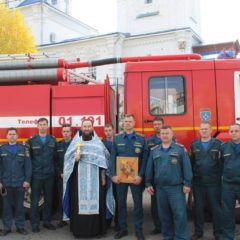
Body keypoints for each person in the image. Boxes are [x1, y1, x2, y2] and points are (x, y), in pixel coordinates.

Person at [62, 119, 113, 239]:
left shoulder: (98, 144)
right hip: (79, 181)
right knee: (79, 204)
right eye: (84, 126)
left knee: (97, 204)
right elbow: (67, 160)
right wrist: (75, 159)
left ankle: (97, 230)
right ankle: (79, 231)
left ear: (92, 127)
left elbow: (104, 162)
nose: (86, 128)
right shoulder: (76, 143)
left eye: (88, 126)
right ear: (81, 127)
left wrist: (103, 178)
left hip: (96, 180)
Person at [145, 125, 192, 240]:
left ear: (172, 135)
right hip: (160, 189)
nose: (165, 135)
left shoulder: (179, 149)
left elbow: (187, 167)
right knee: (164, 215)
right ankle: (168, 236)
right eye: (163, 133)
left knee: (179, 215)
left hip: (176, 188)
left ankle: (181, 237)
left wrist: (187, 183)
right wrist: (148, 183)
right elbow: (149, 169)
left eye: (167, 133)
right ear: (160, 135)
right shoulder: (154, 151)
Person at [110, 114, 148, 240]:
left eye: (130, 121)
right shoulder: (117, 139)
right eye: (125, 121)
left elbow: (144, 160)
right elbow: (112, 159)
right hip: (120, 179)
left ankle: (138, 230)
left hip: (136, 179)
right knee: (121, 204)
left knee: (138, 204)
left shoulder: (141, 139)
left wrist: (141, 176)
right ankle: (123, 229)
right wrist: (113, 175)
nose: (127, 123)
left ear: (134, 122)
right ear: (123, 123)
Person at [190, 122, 222, 240]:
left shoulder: (218, 144)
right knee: (198, 209)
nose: (203, 131)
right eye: (202, 129)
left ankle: (218, 233)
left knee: (216, 208)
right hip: (198, 182)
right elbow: (191, 163)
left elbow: (222, 162)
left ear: (211, 130)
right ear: (199, 131)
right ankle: (198, 232)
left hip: (214, 182)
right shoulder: (194, 145)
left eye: (206, 129)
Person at [27, 117, 57, 232]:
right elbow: (28, 159)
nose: (43, 126)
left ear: (47, 126)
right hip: (36, 175)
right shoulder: (31, 140)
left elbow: (55, 158)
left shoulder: (52, 140)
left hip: (49, 175)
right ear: (37, 126)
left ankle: (46, 221)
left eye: (45, 124)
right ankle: (34, 224)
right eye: (41, 124)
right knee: (34, 201)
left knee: (49, 199)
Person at [0, 128, 32, 236]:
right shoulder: (2, 149)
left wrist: (27, 180)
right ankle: (7, 227)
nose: (12, 136)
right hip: (6, 183)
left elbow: (28, 166)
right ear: (7, 136)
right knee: (6, 206)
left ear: (17, 136)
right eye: (10, 134)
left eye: (14, 134)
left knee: (19, 206)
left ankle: (20, 226)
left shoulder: (23, 149)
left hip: (20, 182)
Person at [221, 124, 240, 240]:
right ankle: (228, 236)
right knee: (227, 213)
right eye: (232, 131)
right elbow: (220, 164)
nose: (234, 133)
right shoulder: (224, 147)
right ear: (229, 133)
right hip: (228, 185)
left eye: (236, 131)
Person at [146, 117, 164, 235]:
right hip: (154, 177)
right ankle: (158, 226)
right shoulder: (149, 141)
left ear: (163, 125)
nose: (157, 126)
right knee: (155, 205)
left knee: (166, 204)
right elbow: (147, 160)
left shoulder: (171, 138)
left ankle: (167, 226)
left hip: (167, 177)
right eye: (155, 124)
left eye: (159, 124)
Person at [102, 123, 119, 231]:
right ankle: (107, 222)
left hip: (117, 175)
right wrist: (102, 177)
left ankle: (118, 222)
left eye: (109, 130)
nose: (108, 132)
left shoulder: (118, 141)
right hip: (107, 176)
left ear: (113, 130)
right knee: (106, 199)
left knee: (118, 200)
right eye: (106, 131)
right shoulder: (101, 143)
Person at [56, 124, 72, 228]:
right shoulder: (58, 145)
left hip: (72, 176)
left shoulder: (75, 145)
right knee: (61, 197)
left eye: (68, 131)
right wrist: (60, 173)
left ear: (71, 133)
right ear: (62, 133)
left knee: (73, 197)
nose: (66, 133)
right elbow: (55, 161)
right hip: (61, 176)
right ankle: (63, 218)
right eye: (64, 132)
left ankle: (73, 218)